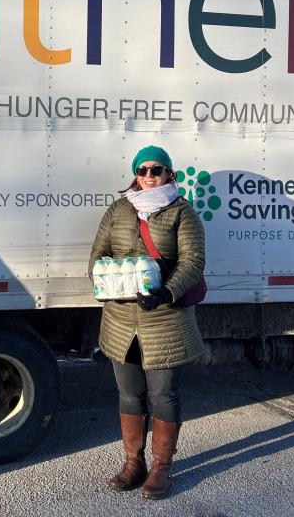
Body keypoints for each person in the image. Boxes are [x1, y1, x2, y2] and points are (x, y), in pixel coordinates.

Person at [88, 145, 206, 500]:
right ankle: (132, 462)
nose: (150, 176)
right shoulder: (119, 209)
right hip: (121, 320)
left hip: (164, 319)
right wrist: (103, 280)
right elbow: (98, 254)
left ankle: (161, 468)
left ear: (170, 173)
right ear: (135, 174)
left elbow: (193, 261)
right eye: (143, 170)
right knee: (128, 392)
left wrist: (166, 293)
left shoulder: (182, 212)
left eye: (157, 169)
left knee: (163, 394)